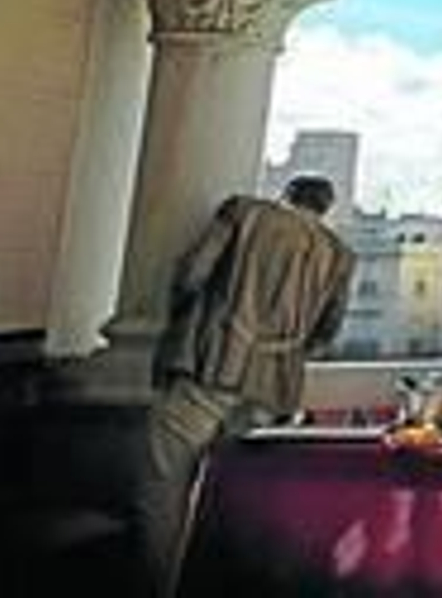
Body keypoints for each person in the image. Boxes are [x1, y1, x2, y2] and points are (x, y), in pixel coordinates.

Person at [132, 174, 355, 596]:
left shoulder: (244, 212)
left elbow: (190, 276)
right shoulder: (338, 254)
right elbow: (326, 334)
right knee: (238, 496)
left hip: (209, 368)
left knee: (164, 486)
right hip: (272, 390)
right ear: (325, 208)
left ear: (285, 195)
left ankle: (163, 588)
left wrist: (185, 324)